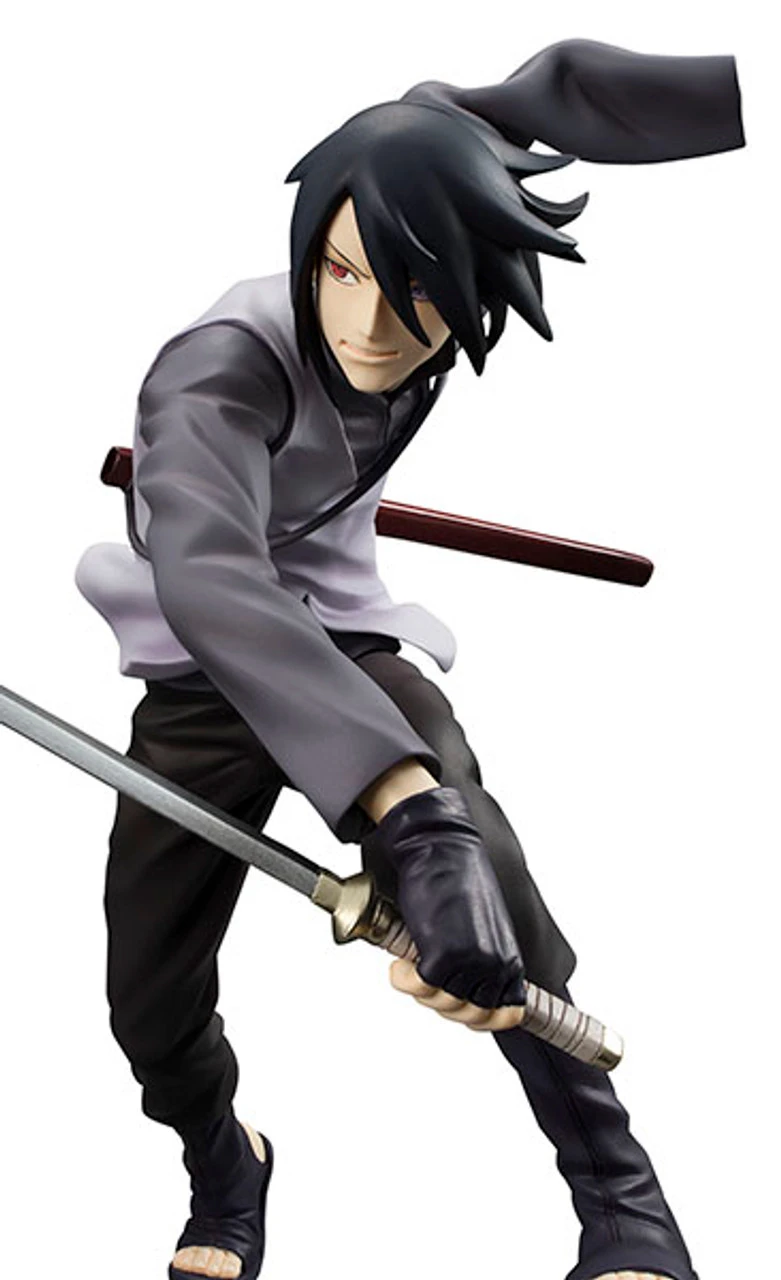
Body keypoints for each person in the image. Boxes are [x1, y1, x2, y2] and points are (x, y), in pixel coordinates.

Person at [75, 38, 744, 1280]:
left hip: (343, 636)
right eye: (342, 272)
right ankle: (225, 1163)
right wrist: (406, 816)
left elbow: (546, 96)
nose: (374, 326)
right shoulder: (217, 367)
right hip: (201, 664)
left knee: (491, 881)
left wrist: (746, 91)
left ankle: (622, 1198)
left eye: (418, 294)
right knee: (147, 1000)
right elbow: (213, 577)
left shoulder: (433, 197)